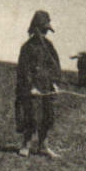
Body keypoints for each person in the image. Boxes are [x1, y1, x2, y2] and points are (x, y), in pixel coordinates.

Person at [16, 10, 63, 158]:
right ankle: (26, 144)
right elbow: (23, 70)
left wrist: (54, 83)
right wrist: (31, 87)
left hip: (46, 87)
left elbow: (55, 65)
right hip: (32, 89)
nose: (44, 34)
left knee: (47, 116)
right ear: (35, 29)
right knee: (31, 116)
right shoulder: (27, 48)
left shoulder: (49, 46)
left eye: (46, 31)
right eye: (42, 30)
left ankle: (43, 146)